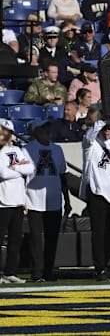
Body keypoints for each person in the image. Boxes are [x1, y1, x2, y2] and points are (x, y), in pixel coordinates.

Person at [80, 116, 110, 281]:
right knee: (99, 233)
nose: (107, 131)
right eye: (104, 128)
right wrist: (103, 118)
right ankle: (100, 268)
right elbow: (88, 136)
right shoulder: (91, 146)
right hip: (97, 192)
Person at [25, 119, 71, 282]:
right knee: (37, 239)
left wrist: (67, 199)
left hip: (54, 200)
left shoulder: (57, 149)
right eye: (43, 129)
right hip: (33, 200)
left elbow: (63, 175)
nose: (47, 132)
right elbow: (23, 177)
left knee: (52, 238)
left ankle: (49, 270)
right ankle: (37, 271)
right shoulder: (27, 150)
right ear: (36, 131)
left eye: (48, 129)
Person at [0, 119, 35, 284]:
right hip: (3, 200)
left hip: (18, 200)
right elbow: (3, 174)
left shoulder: (18, 150)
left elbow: (31, 168)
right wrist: (20, 169)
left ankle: (10, 272)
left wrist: (15, 168)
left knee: (15, 238)